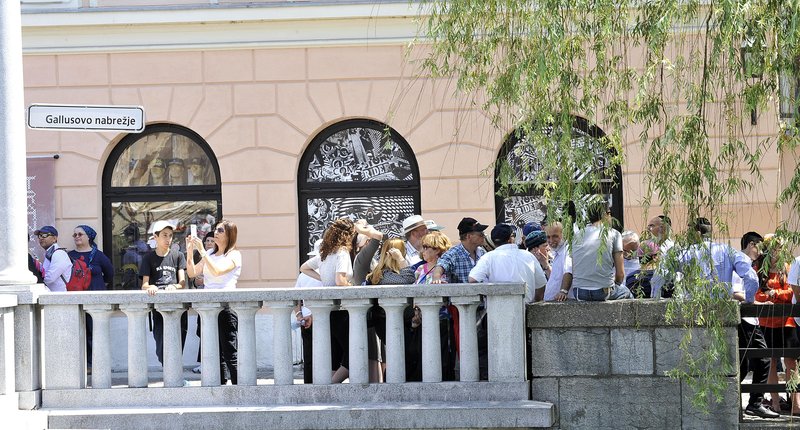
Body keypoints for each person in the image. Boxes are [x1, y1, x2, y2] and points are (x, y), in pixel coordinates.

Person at [299, 217, 356, 383]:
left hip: (328, 311)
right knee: (354, 352)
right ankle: (331, 385)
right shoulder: (342, 253)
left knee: (335, 353)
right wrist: (351, 287)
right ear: (348, 234)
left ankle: (328, 389)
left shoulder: (325, 254)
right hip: (342, 308)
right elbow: (340, 281)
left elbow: (304, 267)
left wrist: (323, 279)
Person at [431, 217, 488, 380]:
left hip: (482, 305)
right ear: (469, 236)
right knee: (463, 343)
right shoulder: (454, 253)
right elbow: (441, 265)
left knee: (481, 344)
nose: (483, 235)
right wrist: (437, 277)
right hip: (461, 308)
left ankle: (480, 373)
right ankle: (464, 374)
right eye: (480, 233)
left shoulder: (482, 252)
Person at [187, 219, 242, 385]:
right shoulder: (210, 254)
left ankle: (239, 388)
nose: (215, 233)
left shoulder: (234, 255)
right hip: (208, 307)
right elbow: (192, 273)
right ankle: (220, 386)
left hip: (226, 307)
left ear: (229, 235)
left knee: (230, 350)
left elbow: (217, 271)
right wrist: (190, 252)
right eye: (216, 230)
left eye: (220, 231)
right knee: (213, 351)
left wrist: (203, 251)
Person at [733, 231, 779, 418]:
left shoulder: (746, 263)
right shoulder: (741, 261)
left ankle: (735, 399)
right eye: (760, 247)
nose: (761, 252)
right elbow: (736, 292)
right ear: (752, 244)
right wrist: (758, 303)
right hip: (746, 319)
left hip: (749, 318)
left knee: (743, 364)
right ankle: (755, 403)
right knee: (763, 357)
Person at [754, 234, 798, 415]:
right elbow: (757, 295)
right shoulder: (759, 269)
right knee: (771, 362)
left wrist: (773, 293)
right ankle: (775, 403)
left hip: (786, 321)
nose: (776, 249)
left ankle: (796, 405)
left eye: (779, 246)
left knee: (791, 362)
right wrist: (773, 294)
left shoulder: (787, 267)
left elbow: (791, 294)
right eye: (772, 246)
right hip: (767, 322)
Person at [558, 200, 632, 301]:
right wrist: (616, 284)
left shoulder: (576, 235)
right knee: (627, 292)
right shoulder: (614, 234)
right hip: (603, 292)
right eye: (609, 213)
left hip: (579, 292)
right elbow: (620, 274)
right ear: (605, 214)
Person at [365, 239, 417, 382]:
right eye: (402, 251)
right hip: (386, 320)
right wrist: (400, 258)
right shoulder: (384, 274)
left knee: (401, 354)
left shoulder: (386, 272)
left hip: (391, 319)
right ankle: (392, 385)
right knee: (403, 353)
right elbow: (409, 278)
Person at [141, 220, 187, 369]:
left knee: (178, 341)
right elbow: (144, 285)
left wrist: (174, 286)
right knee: (161, 343)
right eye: (164, 235)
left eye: (170, 235)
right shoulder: (148, 258)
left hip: (177, 305)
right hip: (159, 307)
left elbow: (182, 282)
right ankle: (170, 371)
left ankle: (174, 374)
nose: (168, 239)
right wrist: (151, 287)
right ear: (156, 237)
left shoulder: (178, 255)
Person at [69, 225, 114, 373]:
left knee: (95, 332)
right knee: (78, 333)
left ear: (89, 237)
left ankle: (95, 364)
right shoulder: (69, 256)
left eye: (80, 234)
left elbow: (110, 274)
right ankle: (80, 364)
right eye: (74, 235)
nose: (76, 237)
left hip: (96, 301)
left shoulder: (99, 256)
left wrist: (98, 285)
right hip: (75, 300)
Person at [471, 224, 547, 303]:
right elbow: (541, 285)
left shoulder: (487, 258)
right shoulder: (528, 256)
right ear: (510, 239)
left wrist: (487, 294)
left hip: (496, 308)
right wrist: (536, 301)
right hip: (526, 308)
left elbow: (472, 279)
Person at [536, 224, 572, 302]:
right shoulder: (557, 252)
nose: (551, 240)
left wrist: (563, 291)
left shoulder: (567, 251)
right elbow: (556, 278)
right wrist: (545, 264)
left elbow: (568, 271)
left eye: (555, 236)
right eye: (548, 237)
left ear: (564, 234)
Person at [34, 225, 71, 291]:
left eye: (45, 235)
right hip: (53, 296)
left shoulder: (59, 253)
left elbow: (50, 278)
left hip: (59, 296)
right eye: (39, 235)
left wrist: (36, 281)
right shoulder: (50, 253)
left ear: (54, 238)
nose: (41, 238)